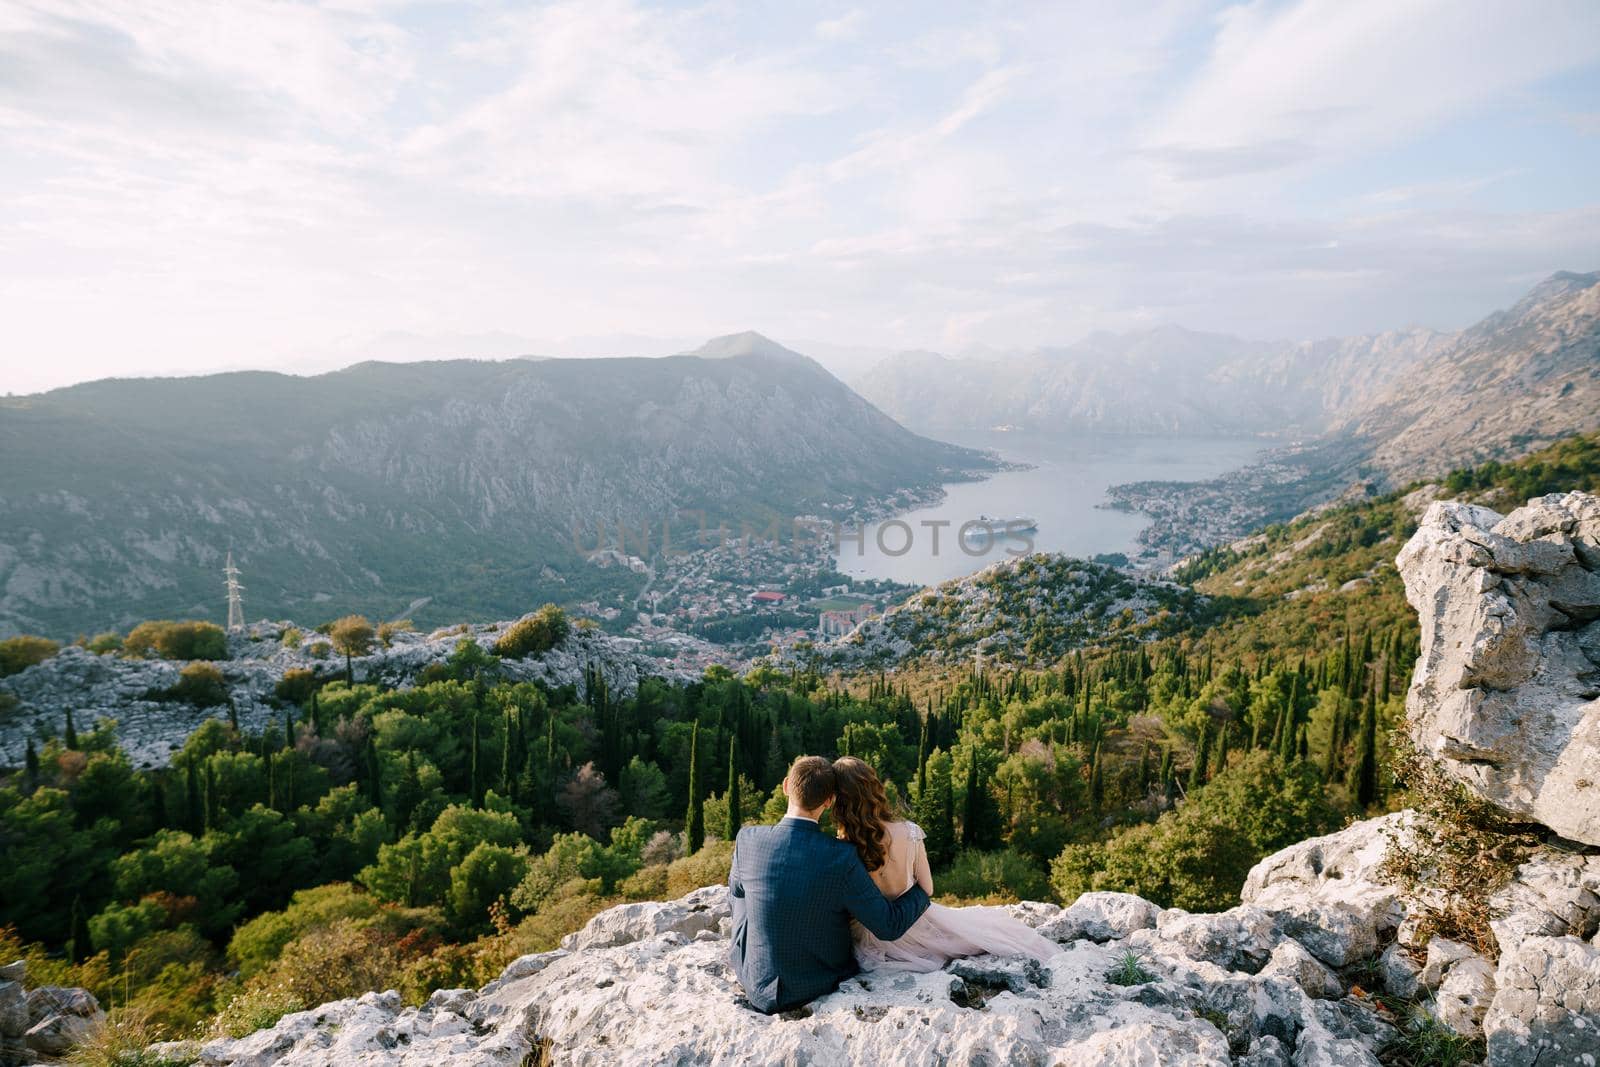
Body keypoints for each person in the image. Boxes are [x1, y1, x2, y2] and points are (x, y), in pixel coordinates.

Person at [727, 755, 930, 1013]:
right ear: (829, 801)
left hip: (753, 978)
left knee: (741, 894)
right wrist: (921, 893)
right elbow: (888, 926)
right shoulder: (840, 857)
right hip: (815, 983)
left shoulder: (747, 839)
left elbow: (736, 897)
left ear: (786, 786)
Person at [831, 756, 1057, 971]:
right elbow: (927, 888)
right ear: (875, 790)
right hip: (914, 922)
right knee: (979, 936)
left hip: (869, 935)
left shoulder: (842, 848)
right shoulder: (910, 832)